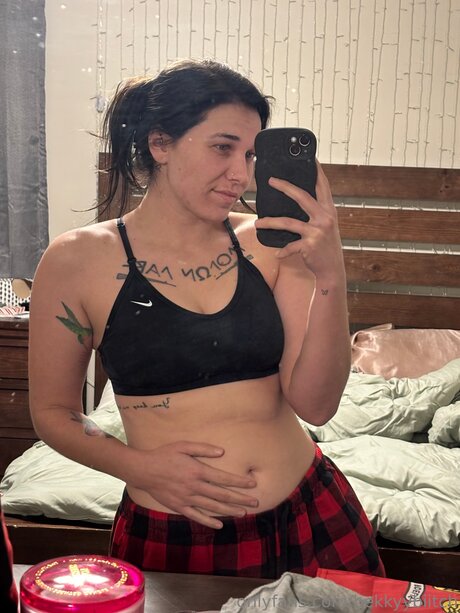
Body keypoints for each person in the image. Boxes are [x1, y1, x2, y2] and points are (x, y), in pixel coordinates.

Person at [29, 58, 385, 579]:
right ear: (160, 143)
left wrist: (331, 275)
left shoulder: (268, 244)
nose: (242, 174)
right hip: (173, 533)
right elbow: (53, 411)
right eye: (223, 147)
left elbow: (317, 405)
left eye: (251, 154)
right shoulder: (77, 261)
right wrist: (139, 467)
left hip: (311, 510)